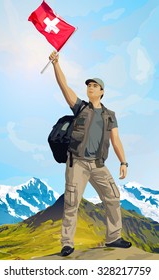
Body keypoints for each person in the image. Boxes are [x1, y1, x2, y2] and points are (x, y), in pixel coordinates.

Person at [49, 51, 132, 257]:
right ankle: (67, 243)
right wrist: (55, 64)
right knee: (72, 202)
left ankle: (114, 237)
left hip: (98, 165)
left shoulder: (109, 115)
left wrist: (124, 162)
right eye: (88, 85)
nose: (90, 88)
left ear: (102, 91)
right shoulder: (80, 108)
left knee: (113, 197)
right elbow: (64, 87)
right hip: (77, 163)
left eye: (94, 85)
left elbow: (116, 140)